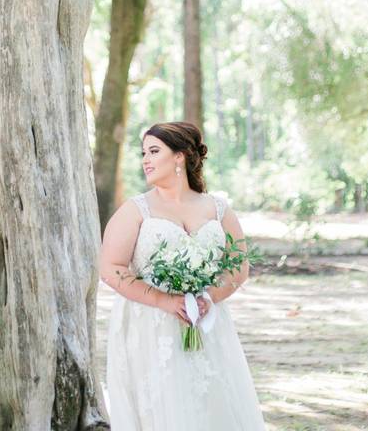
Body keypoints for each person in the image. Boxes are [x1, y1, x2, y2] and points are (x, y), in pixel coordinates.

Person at [99, 121, 266, 430]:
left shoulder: (218, 209)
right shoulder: (136, 210)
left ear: (179, 157)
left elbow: (238, 265)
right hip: (150, 324)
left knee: (212, 400)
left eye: (154, 151)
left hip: (206, 322)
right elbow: (111, 268)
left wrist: (207, 297)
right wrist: (163, 300)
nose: (145, 160)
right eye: (143, 153)